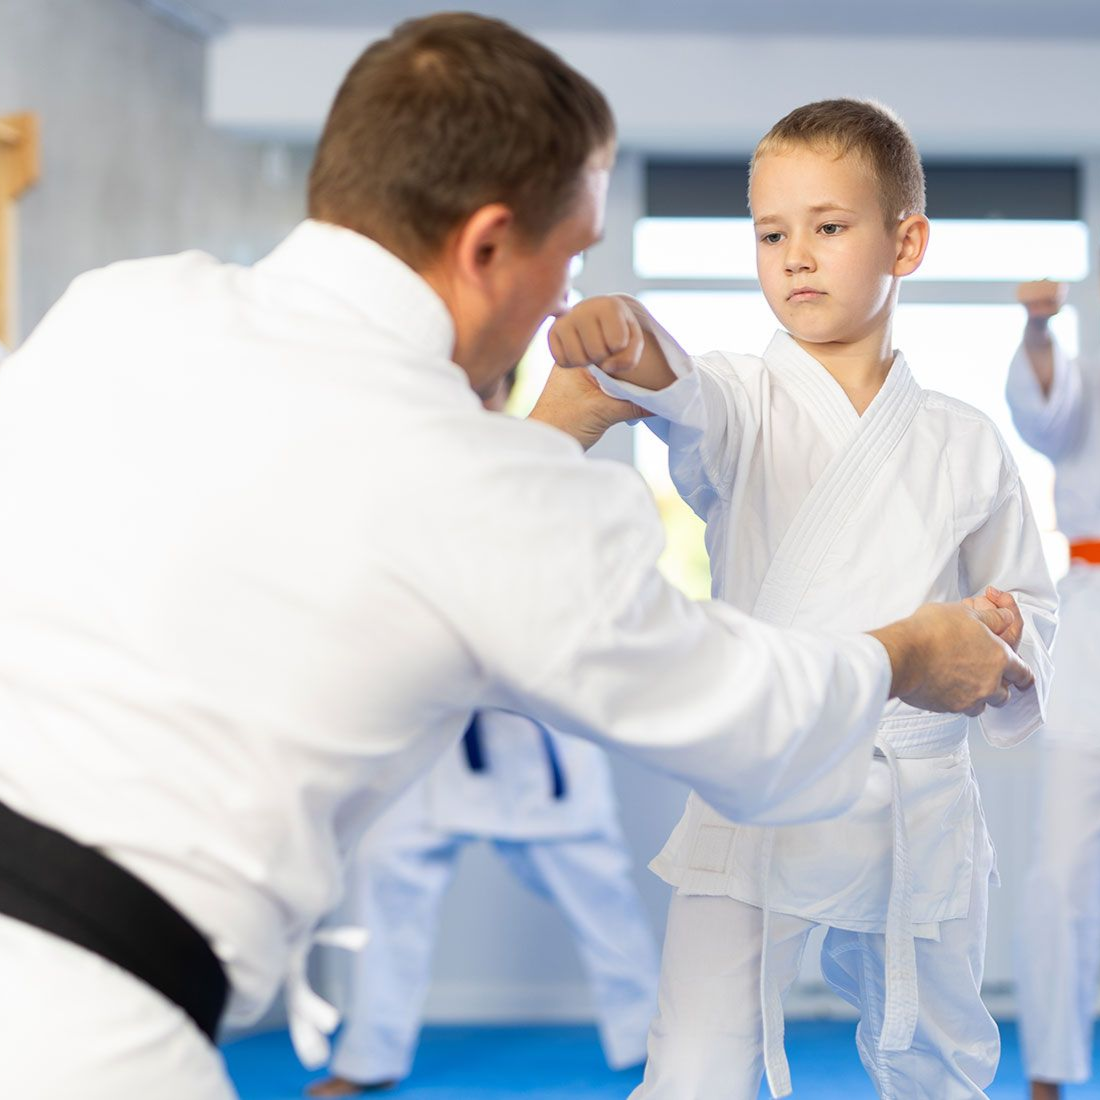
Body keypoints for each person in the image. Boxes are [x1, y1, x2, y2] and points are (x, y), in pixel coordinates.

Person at [0, 18, 1030, 1100]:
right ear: (489, 245)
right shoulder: (486, 489)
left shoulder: (119, 303)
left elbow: (382, 509)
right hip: (88, 1034)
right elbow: (749, 720)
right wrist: (912, 649)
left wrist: (550, 430)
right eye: (573, 253)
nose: (566, 299)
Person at [542, 99, 1057, 1099]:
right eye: (770, 234)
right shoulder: (744, 396)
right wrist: (625, 333)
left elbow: (1027, 603)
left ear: (903, 241)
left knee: (940, 1060)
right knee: (695, 1061)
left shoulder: (962, 437)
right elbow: (674, 387)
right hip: (760, 770)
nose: (795, 256)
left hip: (915, 786)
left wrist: (1004, 638)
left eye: (827, 227)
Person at [307, 374, 659, 1098]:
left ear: (501, 389)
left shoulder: (543, 465)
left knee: (602, 898)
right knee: (388, 888)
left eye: (483, 385)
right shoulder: (397, 465)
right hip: (431, 730)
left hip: (533, 729)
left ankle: (651, 1043)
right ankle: (369, 1056)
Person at [1009, 278, 1100, 1100]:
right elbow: (1046, 409)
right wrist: (1040, 329)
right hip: (1092, 621)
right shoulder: (1092, 334)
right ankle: (1050, 1069)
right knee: (1058, 869)